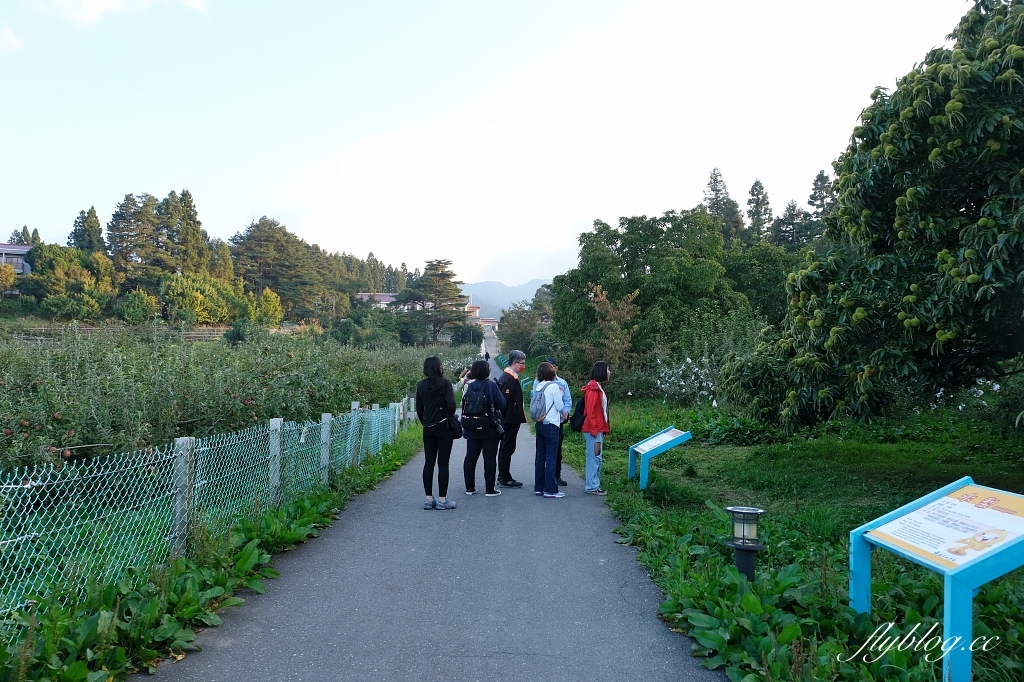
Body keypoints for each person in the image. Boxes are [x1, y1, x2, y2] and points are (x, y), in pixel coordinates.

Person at [416, 356, 457, 510]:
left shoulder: (421, 386)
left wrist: (425, 422)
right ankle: (442, 500)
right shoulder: (445, 383)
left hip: (428, 427)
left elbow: (419, 409)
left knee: (429, 462)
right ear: (438, 367)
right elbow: (451, 406)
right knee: (443, 464)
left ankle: (428, 499)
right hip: (443, 427)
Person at [461, 359, 506, 496]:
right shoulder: (491, 385)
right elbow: (502, 404)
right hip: (489, 427)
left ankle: (470, 488)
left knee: (470, 457)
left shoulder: (468, 385)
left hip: (471, 427)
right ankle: (489, 489)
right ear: (487, 371)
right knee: (490, 458)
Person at [533, 362, 566, 498]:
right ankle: (551, 489)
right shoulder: (553, 387)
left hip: (540, 423)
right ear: (551, 373)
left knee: (540, 457)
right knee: (551, 457)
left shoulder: (539, 386)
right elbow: (559, 406)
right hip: (551, 424)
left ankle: (539, 487)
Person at [495, 349, 527, 487]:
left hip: (509, 419)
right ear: (514, 363)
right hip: (509, 420)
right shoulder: (508, 378)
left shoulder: (509, 377)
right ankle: (504, 477)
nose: (523, 366)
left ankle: (504, 475)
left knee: (506, 447)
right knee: (507, 448)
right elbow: (505, 401)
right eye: (522, 363)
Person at [581, 361, 611, 495]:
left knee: (596, 456)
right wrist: (594, 428)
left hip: (597, 429)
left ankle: (593, 484)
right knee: (594, 457)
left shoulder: (597, 386)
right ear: (601, 371)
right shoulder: (593, 388)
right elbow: (591, 410)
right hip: (594, 430)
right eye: (608, 370)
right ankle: (592, 486)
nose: (609, 372)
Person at [540, 356, 571, 486]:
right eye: (546, 365)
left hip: (558, 421)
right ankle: (543, 478)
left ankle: (556, 475)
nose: (549, 367)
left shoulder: (562, 383)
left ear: (556, 367)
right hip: (543, 420)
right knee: (542, 451)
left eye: (551, 365)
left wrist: (566, 412)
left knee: (557, 450)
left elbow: (567, 401)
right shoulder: (538, 382)